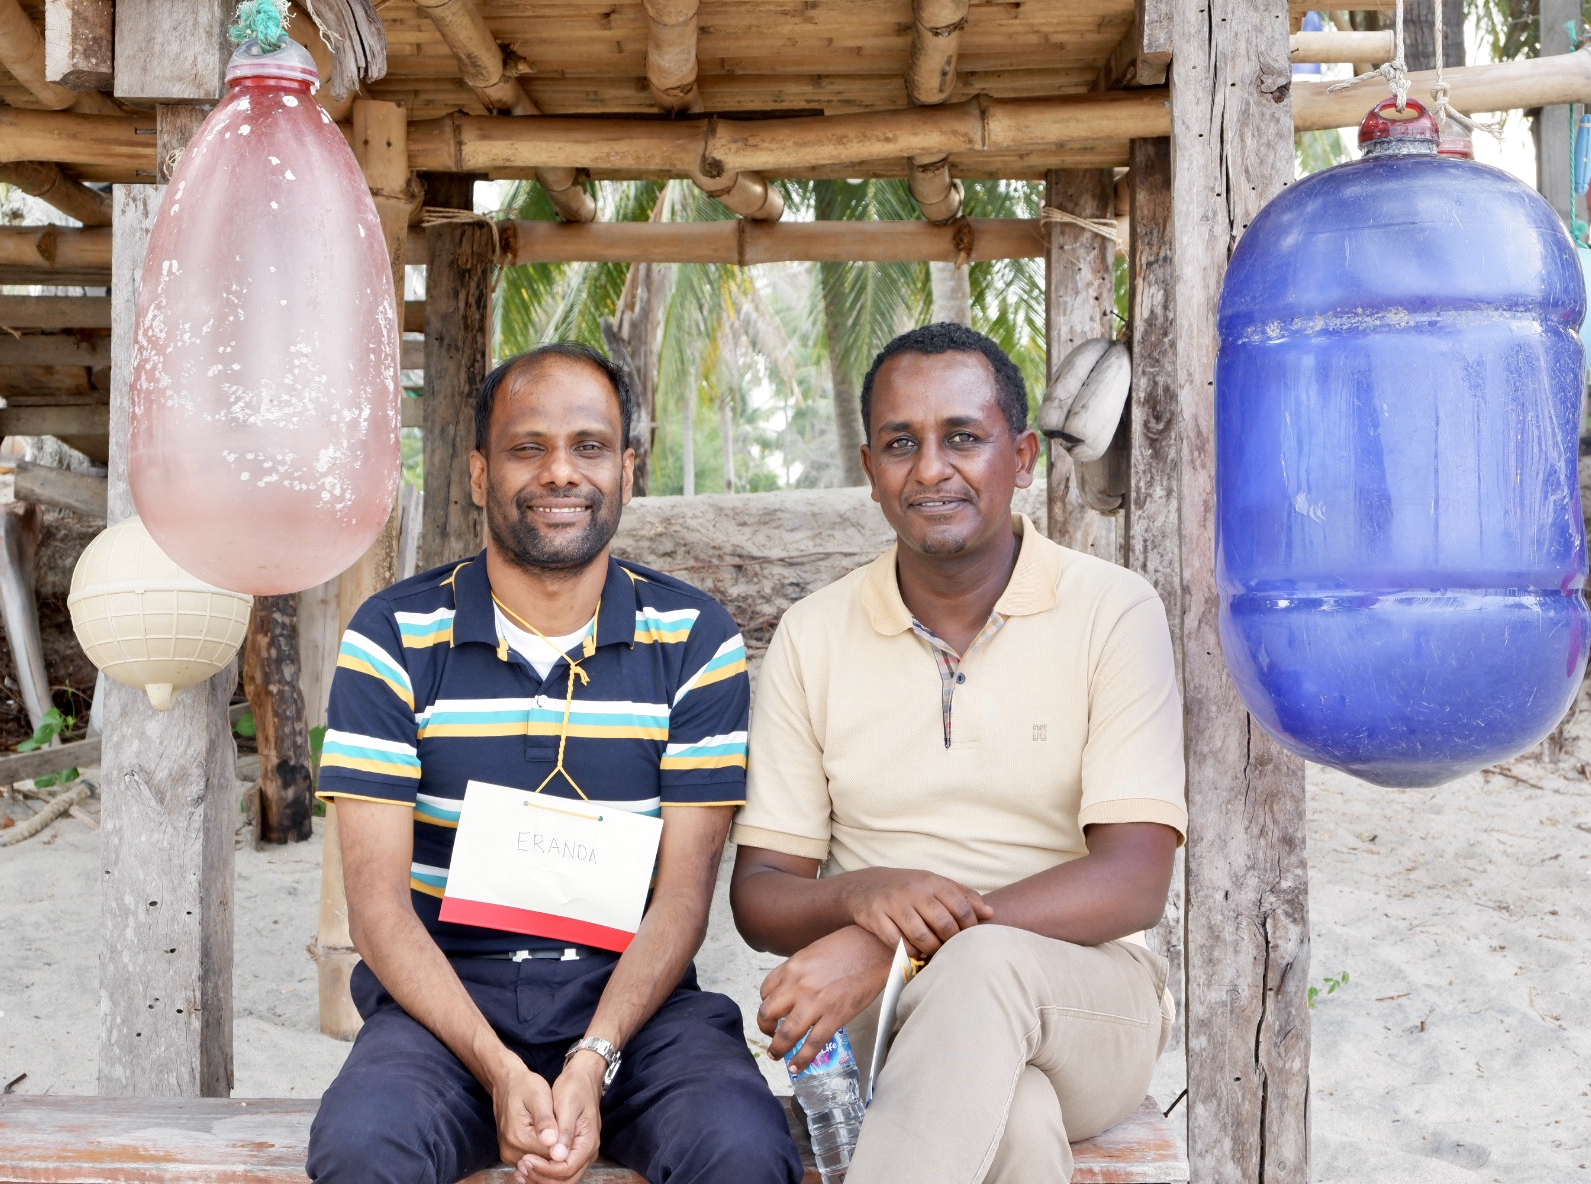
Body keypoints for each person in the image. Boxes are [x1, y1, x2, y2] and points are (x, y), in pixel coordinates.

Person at [308, 343, 801, 1184]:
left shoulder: (694, 640)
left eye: (589, 446)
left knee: (742, 1149)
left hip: (636, 1008)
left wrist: (595, 1056)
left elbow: (684, 898)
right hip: (444, 1008)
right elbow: (377, 909)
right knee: (362, 1149)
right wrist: (499, 1070)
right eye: (527, 447)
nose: (561, 472)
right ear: (479, 474)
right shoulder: (394, 637)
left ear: (627, 471)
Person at [729, 322, 1185, 1184]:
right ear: (871, 470)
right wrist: (863, 898)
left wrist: (902, 947)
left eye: (963, 438)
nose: (931, 468)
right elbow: (760, 896)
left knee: (984, 966)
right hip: (884, 1020)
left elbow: (1134, 880)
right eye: (902, 443)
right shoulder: (813, 635)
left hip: (1086, 1000)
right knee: (1017, 1125)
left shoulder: (1112, 612)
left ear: (1022, 457)